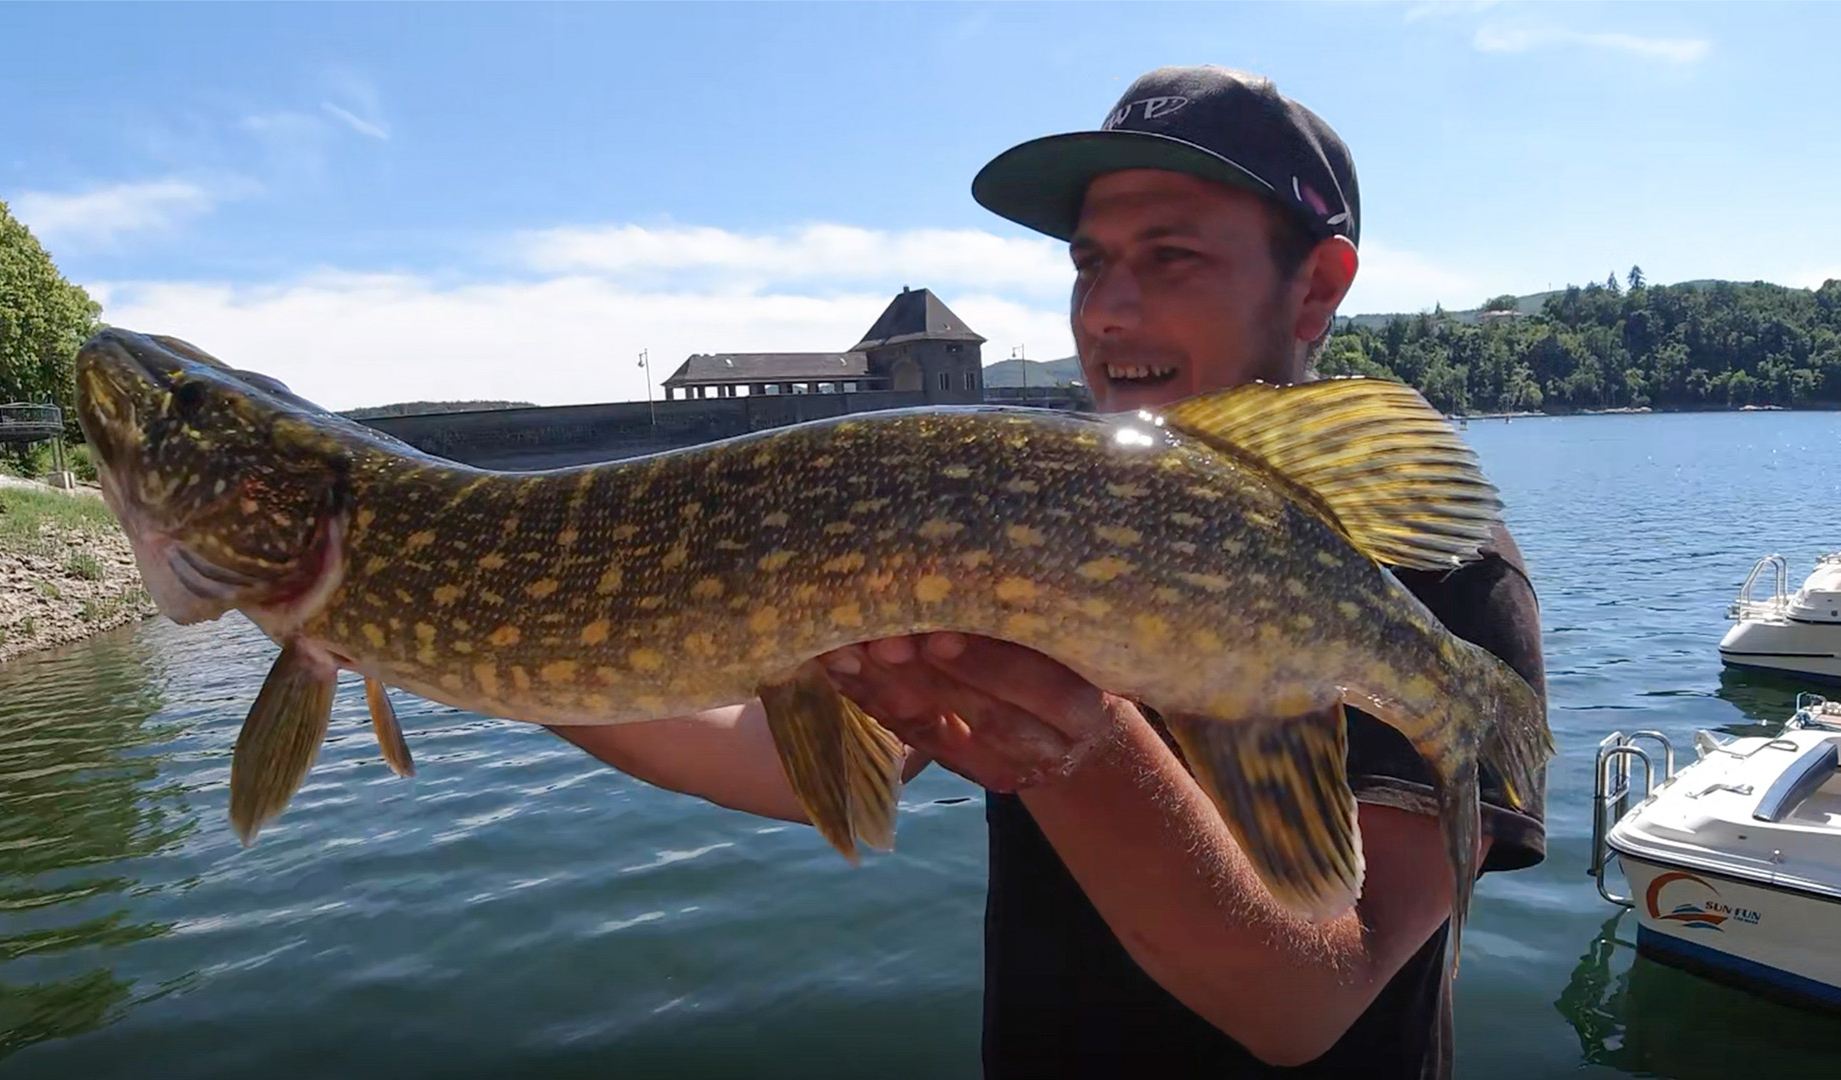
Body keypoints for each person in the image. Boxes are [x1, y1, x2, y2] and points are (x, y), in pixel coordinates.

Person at [546, 65, 1547, 1079]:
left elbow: (1307, 1004)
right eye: (1088, 262)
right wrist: (495, 659)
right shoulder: (1014, 503)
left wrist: (1072, 746)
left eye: (1171, 256)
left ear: (1318, 287)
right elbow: (796, 759)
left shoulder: (1438, 578)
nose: (1106, 311)